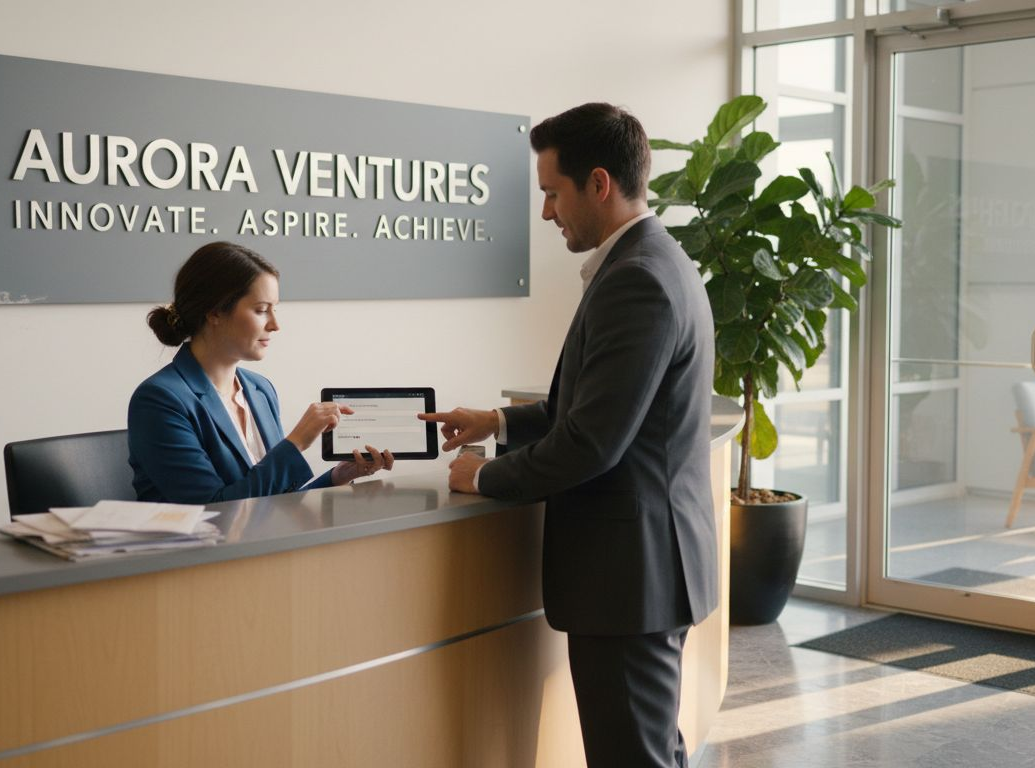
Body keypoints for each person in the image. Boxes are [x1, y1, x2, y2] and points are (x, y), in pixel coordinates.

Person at [420, 103, 717, 768]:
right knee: (649, 751)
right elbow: (589, 407)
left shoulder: (637, 279)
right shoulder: (651, 261)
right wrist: (497, 423)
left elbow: (592, 442)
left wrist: (484, 474)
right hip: (643, 574)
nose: (548, 213)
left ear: (600, 184)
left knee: (631, 757)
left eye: (553, 193)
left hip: (630, 578)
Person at [129, 241, 392, 504]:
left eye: (274, 309)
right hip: (199, 544)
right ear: (215, 312)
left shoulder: (260, 389)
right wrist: (297, 442)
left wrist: (338, 476)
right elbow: (214, 510)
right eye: (261, 310)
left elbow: (272, 501)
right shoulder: (160, 399)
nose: (275, 325)